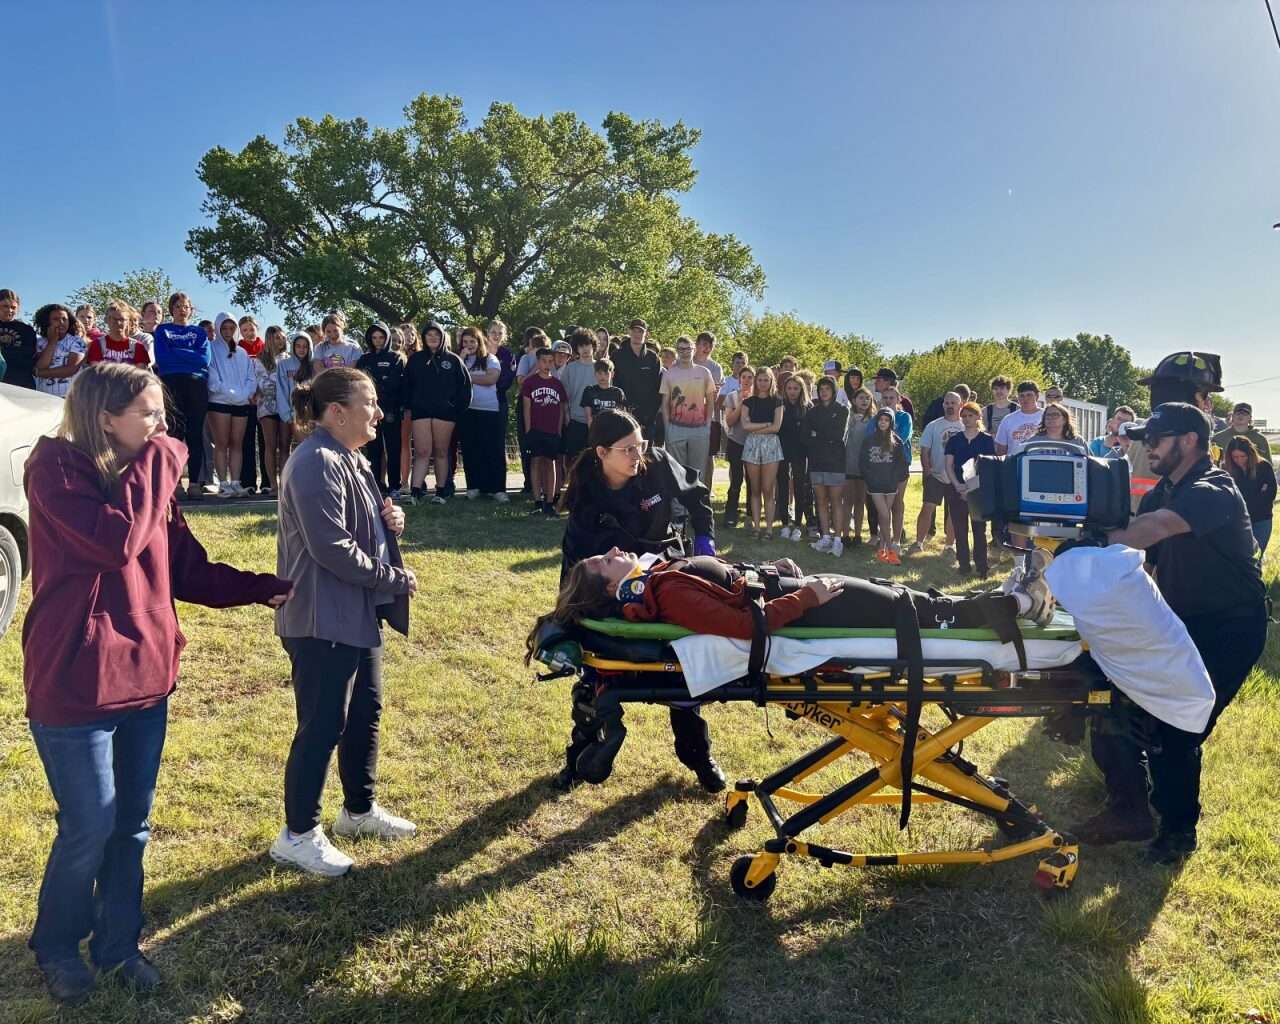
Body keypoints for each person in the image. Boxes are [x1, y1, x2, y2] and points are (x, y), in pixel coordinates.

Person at [22, 363, 290, 1003]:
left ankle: (118, 945)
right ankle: (57, 945)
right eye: (148, 414)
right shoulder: (56, 469)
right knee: (89, 823)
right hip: (73, 682)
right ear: (104, 417)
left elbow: (186, 570)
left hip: (145, 679)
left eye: (163, 416)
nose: (163, 427)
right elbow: (114, 542)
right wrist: (164, 457)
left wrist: (266, 589)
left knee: (131, 826)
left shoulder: (148, 478)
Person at [1074, 402, 1268, 864]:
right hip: (1178, 620)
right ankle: (1129, 810)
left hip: (1229, 628)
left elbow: (1152, 529)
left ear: (1189, 441)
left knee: (1179, 727)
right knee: (1112, 702)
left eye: (1156, 440)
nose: (1148, 448)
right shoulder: (1165, 489)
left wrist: (1091, 539)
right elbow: (1144, 559)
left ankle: (1178, 834)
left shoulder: (1214, 488)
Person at [271, 367, 417, 877]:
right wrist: (394, 578)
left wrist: (390, 518)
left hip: (354, 613)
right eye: (370, 403)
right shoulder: (313, 463)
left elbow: (367, 516)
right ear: (337, 412)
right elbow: (331, 548)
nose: (379, 413)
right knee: (323, 724)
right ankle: (297, 834)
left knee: (364, 713)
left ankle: (358, 811)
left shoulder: (350, 458)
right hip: (319, 618)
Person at [557, 408, 721, 792]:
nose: (638, 456)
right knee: (597, 673)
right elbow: (577, 572)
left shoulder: (658, 464)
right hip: (611, 592)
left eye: (640, 446)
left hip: (661, 573)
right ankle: (582, 755)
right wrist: (570, 624)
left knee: (680, 667)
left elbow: (697, 496)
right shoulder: (587, 500)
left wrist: (705, 540)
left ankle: (698, 755)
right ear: (601, 453)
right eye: (627, 450)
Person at [532, 547, 1051, 655]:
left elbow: (734, 589)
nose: (615, 551)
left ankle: (1003, 598)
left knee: (906, 595)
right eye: (605, 560)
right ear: (610, 588)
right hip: (811, 607)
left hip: (799, 591)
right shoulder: (663, 591)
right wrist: (806, 595)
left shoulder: (660, 580)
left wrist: (773, 573)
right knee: (906, 607)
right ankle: (1020, 607)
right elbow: (744, 628)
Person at [152, 292, 212, 500]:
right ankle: (175, 482)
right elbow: (163, 358)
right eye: (177, 306)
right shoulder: (163, 330)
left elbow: (203, 360)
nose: (182, 310)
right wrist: (187, 356)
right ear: (172, 310)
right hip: (171, 383)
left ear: (191, 309)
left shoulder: (199, 333)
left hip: (196, 384)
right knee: (174, 432)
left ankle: (195, 482)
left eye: (185, 306)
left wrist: (177, 353)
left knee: (195, 434)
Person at [405, 321, 472, 504]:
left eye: (437, 335)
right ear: (424, 338)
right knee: (422, 451)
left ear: (442, 337)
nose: (433, 338)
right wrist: (409, 406)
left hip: (445, 413)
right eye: (429, 335)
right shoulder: (415, 359)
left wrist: (455, 408)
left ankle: (441, 491)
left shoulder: (453, 360)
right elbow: (406, 386)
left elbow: (465, 388)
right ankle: (416, 491)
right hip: (421, 412)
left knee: (441, 452)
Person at [660, 336, 717, 518]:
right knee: (677, 472)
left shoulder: (704, 372)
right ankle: (678, 513)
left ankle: (696, 513)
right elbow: (665, 402)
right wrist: (667, 427)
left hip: (699, 429)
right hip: (676, 427)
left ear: (694, 350)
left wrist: (708, 425)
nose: (685, 352)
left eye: (688, 348)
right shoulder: (670, 374)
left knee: (697, 472)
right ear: (677, 351)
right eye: (681, 349)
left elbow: (711, 401)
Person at [206, 313, 258, 498]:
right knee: (221, 443)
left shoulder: (242, 352)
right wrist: (231, 394)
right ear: (218, 328)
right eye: (224, 328)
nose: (228, 332)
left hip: (241, 404)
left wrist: (244, 394)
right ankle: (223, 483)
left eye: (231, 328)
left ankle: (235, 483)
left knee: (237, 444)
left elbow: (251, 378)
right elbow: (212, 380)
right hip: (219, 402)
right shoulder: (210, 349)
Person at [944, 401, 996, 577]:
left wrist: (972, 487)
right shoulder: (954, 439)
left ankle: (982, 566)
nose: (967, 419)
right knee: (960, 528)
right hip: (956, 489)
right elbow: (948, 465)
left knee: (979, 530)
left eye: (970, 416)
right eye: (964, 416)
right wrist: (957, 485)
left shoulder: (987, 440)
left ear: (978, 417)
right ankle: (964, 564)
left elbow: (989, 467)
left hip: (978, 490)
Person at [457, 324, 507, 501]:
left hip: (489, 409)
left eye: (472, 341)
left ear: (479, 342)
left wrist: (468, 377)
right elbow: (455, 380)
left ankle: (498, 489)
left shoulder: (490, 359)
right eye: (465, 341)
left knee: (493, 449)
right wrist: (461, 360)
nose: (469, 344)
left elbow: (490, 378)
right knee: (471, 449)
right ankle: (474, 486)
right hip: (467, 410)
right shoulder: (459, 360)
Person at [910, 392, 964, 556]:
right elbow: (925, 450)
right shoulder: (933, 425)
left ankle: (949, 546)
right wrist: (927, 472)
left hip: (957, 478)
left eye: (953, 403)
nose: (950, 406)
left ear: (960, 405)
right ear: (943, 405)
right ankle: (919, 543)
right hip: (936, 474)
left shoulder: (965, 425)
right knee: (927, 508)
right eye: (947, 403)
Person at [356, 321, 406, 497]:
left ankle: (395, 486)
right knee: (373, 448)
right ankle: (376, 484)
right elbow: (361, 383)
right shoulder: (364, 359)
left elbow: (396, 383)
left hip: (391, 409)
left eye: (381, 337)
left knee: (393, 448)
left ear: (387, 338)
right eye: (374, 337)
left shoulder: (396, 358)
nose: (378, 340)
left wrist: (378, 384)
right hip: (369, 410)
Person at [522, 346, 569, 515]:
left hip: (552, 431)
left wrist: (558, 430)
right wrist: (528, 431)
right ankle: (537, 500)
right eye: (544, 361)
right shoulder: (530, 382)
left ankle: (549, 502)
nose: (547, 364)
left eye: (550, 361)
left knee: (551, 464)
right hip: (535, 430)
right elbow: (526, 407)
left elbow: (562, 409)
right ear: (538, 361)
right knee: (535, 462)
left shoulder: (557, 384)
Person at [805, 376, 849, 555]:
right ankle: (825, 537)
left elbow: (837, 434)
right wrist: (819, 435)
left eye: (827, 389)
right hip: (816, 460)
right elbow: (807, 435)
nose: (824, 392)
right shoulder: (812, 412)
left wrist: (818, 433)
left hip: (835, 461)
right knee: (820, 500)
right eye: (821, 389)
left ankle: (837, 539)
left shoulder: (842, 410)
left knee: (835, 500)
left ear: (834, 391)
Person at [741, 366, 785, 538]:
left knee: (768, 488)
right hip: (752, 445)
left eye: (766, 380)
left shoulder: (777, 401)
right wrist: (765, 425)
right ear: (755, 381)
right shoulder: (748, 402)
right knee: (755, 488)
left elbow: (776, 426)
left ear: (771, 381)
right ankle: (756, 527)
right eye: (760, 380)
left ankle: (768, 529)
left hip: (771, 445)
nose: (763, 383)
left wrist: (756, 428)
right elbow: (745, 426)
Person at [862, 409, 910, 564]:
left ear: (891, 423)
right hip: (875, 485)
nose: (883, 422)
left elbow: (901, 464)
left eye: (886, 420)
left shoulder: (896, 441)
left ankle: (881, 550)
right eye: (880, 419)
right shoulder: (869, 440)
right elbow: (863, 463)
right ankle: (890, 551)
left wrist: (895, 480)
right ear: (876, 421)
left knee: (885, 516)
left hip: (890, 485)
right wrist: (870, 479)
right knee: (884, 515)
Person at [1223, 436, 1276, 556]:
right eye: (1235, 457)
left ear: (1250, 454)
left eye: (1243, 456)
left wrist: (1245, 502)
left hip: (1261, 520)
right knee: (1238, 556)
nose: (1239, 460)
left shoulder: (1263, 467)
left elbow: (1269, 495)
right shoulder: (1226, 469)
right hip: (1236, 521)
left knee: (1256, 556)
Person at [776, 375, 812, 542]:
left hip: (801, 452)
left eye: (796, 388)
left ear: (801, 390)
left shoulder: (807, 407)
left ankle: (797, 524)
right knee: (783, 486)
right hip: (782, 450)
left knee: (800, 487)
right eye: (789, 388)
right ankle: (784, 523)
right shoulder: (780, 405)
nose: (792, 392)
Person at [612, 318, 662, 438]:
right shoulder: (617, 356)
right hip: (623, 416)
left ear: (646, 334)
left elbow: (658, 389)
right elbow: (612, 385)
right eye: (634, 331)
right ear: (629, 332)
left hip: (647, 419)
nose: (637, 334)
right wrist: (619, 411)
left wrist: (650, 416)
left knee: (647, 455)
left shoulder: (653, 358)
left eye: (641, 331)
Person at [720, 360, 753, 529]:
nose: (747, 380)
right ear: (739, 379)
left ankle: (750, 514)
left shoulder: (759, 398)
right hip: (736, 442)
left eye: (750, 377)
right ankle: (731, 513)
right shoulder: (732, 396)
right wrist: (741, 403)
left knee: (752, 480)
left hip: (753, 443)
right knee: (736, 479)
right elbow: (730, 421)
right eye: (744, 377)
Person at [256, 326, 287, 495]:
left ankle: (284, 483)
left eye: (282, 338)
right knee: (270, 445)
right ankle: (272, 484)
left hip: (286, 406)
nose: (281, 341)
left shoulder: (289, 358)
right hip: (267, 406)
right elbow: (263, 383)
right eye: (277, 338)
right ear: (269, 339)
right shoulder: (260, 359)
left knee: (284, 445)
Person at [559, 329, 599, 461]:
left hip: (597, 422)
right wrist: (566, 416)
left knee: (595, 462)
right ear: (576, 348)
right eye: (581, 346)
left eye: (587, 344)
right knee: (574, 462)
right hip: (575, 421)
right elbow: (564, 396)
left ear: (593, 345)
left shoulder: (601, 367)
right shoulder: (569, 368)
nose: (585, 349)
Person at [236, 316, 265, 494]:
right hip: (246, 401)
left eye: (251, 329)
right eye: (245, 330)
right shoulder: (237, 349)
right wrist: (248, 393)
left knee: (265, 442)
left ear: (257, 328)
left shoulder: (265, 348)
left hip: (264, 401)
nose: (248, 333)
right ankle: (248, 482)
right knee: (246, 442)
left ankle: (268, 482)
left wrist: (260, 392)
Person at [843, 385, 875, 547]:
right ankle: (845, 535)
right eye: (861, 398)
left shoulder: (873, 420)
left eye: (867, 398)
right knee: (848, 500)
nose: (864, 401)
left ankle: (857, 535)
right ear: (854, 400)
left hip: (865, 467)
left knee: (860, 501)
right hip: (848, 464)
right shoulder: (847, 418)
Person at [32, 303, 87, 398]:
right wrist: (52, 342)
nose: (61, 322)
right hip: (43, 396)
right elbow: (41, 366)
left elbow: (71, 369)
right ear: (47, 321)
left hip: (69, 397)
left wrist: (40, 373)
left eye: (64, 319)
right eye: (56, 319)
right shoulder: (39, 342)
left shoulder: (77, 341)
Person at [276, 330, 314, 454]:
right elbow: (281, 390)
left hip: (308, 415)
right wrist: (287, 414)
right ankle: (284, 474)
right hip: (287, 413)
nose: (301, 349)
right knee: (284, 447)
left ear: (309, 348)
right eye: (298, 346)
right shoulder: (284, 364)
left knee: (306, 448)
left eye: (305, 346)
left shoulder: (313, 366)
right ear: (293, 347)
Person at [693, 331, 724, 483]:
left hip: (708, 417)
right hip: (684, 417)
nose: (707, 348)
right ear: (696, 344)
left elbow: (713, 395)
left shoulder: (715, 367)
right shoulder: (685, 362)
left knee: (707, 456)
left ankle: (706, 493)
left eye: (710, 345)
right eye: (704, 344)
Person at [87, 301, 150, 366]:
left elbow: (140, 373)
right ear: (106, 320)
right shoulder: (97, 345)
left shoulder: (138, 347)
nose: (118, 323)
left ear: (128, 321)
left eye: (122, 319)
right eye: (114, 319)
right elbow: (95, 371)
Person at [397, 322, 421, 488]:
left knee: (410, 443)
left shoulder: (420, 356)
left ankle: (407, 481)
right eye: (405, 334)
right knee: (395, 443)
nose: (409, 337)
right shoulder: (394, 356)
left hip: (414, 405)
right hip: (395, 404)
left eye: (412, 334)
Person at [0, 288, 38, 389]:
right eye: (5, 306)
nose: (9, 310)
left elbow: (28, 356)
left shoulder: (26, 330)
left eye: (13, 307)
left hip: (21, 384)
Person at [993, 380, 1043, 456]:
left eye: (1029, 395)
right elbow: (1001, 451)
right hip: (1014, 464)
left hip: (1040, 462)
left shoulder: (1047, 416)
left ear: (1037, 396)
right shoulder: (1008, 419)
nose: (1025, 399)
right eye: (1022, 396)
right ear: (1018, 398)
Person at [581, 358, 626, 426]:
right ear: (595, 374)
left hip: (614, 430)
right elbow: (588, 417)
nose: (602, 376)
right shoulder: (589, 390)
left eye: (606, 373)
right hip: (596, 429)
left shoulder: (618, 392)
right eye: (599, 373)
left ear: (612, 374)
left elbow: (622, 416)